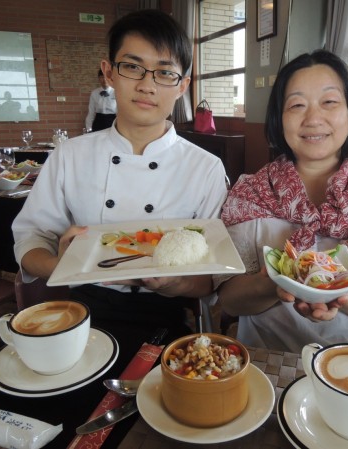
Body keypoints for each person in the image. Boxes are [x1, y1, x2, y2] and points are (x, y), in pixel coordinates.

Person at [12, 9, 228, 340]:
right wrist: (62, 265)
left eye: (164, 73)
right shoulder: (69, 155)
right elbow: (31, 240)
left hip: (169, 314)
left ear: (183, 85)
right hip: (85, 309)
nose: (146, 85)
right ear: (109, 73)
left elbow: (209, 278)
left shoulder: (206, 168)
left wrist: (174, 282)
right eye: (132, 67)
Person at [216, 49, 348, 372]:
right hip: (270, 364)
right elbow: (230, 298)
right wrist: (279, 283)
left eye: (329, 102)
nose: (313, 118)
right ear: (279, 118)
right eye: (297, 105)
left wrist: (336, 291)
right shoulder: (250, 193)